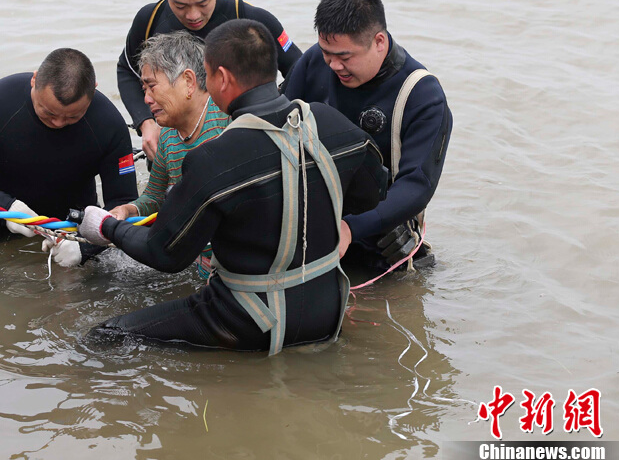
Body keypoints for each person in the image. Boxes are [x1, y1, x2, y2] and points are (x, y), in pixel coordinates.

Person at [78, 19, 387, 354]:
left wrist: (107, 226)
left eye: (208, 76)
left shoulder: (214, 156)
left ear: (221, 79)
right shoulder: (331, 123)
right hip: (327, 311)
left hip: (252, 321)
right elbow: (373, 194)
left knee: (108, 334)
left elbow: (163, 253)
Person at [284, 0, 452, 273]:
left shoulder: (422, 95)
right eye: (328, 53)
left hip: (380, 242)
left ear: (379, 42)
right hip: (312, 225)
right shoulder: (315, 61)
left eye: (345, 57)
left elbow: (417, 185)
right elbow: (277, 126)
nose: (334, 66)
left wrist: (350, 228)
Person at [0, 48, 138, 266]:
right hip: (2, 213)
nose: (58, 123)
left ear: (93, 91)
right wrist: (6, 206)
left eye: (73, 116)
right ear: (34, 80)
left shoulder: (109, 124)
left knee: (111, 263)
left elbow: (123, 204)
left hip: (72, 222)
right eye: (49, 113)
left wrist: (84, 248)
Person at [117, 0, 303, 162]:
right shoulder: (149, 19)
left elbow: (300, 70)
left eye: (203, 3)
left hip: (244, 144)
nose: (193, 15)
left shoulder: (254, 20)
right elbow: (127, 70)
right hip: (173, 147)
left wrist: (274, 120)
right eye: (180, 6)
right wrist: (146, 122)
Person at [108, 30, 230, 278]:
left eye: (151, 87)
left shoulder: (228, 117)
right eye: (143, 89)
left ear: (188, 81)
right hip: (204, 267)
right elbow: (154, 199)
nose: (146, 99)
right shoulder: (167, 139)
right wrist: (127, 211)